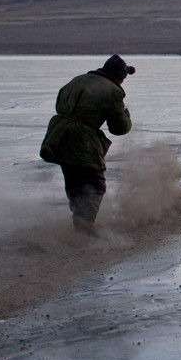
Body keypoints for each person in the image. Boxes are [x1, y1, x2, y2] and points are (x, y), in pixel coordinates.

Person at [40, 55, 134, 235]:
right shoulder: (112, 90)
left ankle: (79, 221)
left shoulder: (78, 80)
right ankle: (85, 224)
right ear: (118, 76)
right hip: (82, 139)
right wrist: (126, 117)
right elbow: (119, 128)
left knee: (74, 180)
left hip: (59, 135)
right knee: (94, 183)